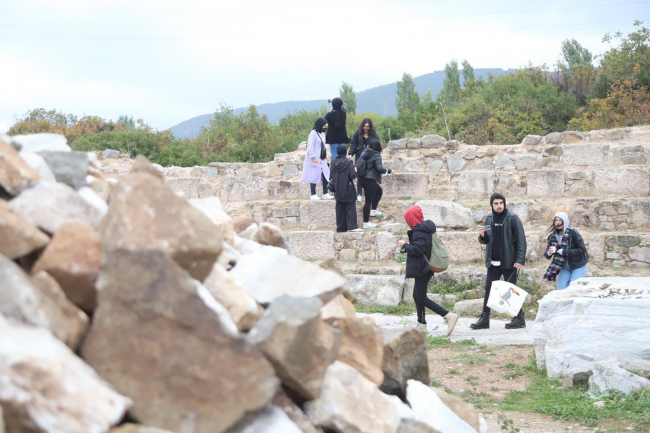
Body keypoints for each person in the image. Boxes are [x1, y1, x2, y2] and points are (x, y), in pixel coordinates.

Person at [398, 205, 459, 335]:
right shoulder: (425, 229)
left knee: (421, 297)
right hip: (425, 267)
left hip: (422, 268)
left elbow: (418, 250)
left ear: (412, 218)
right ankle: (421, 324)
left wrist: (405, 245)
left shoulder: (418, 232)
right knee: (417, 296)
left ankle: (448, 315)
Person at [471, 193, 527, 330]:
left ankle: (519, 319)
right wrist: (482, 236)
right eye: (496, 203)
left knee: (511, 291)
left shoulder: (513, 218)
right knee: (489, 290)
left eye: (501, 203)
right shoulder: (489, 218)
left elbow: (521, 240)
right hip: (493, 263)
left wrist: (520, 259)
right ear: (492, 205)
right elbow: (486, 240)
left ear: (504, 203)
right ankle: (485, 319)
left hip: (509, 262)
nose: (499, 206)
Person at [542, 212, 589, 289]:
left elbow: (582, 250)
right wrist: (549, 252)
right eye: (556, 220)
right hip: (563, 266)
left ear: (565, 221)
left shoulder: (573, 233)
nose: (558, 222)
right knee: (561, 289)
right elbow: (546, 255)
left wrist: (565, 252)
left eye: (560, 220)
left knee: (574, 288)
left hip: (578, 265)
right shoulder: (553, 237)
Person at [358, 139, 393, 229]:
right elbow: (379, 168)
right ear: (378, 147)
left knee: (379, 191)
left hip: (362, 179)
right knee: (368, 202)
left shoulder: (364, 152)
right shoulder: (376, 155)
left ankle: (373, 210)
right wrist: (389, 170)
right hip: (370, 179)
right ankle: (366, 223)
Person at [330, 144, 362, 233]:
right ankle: (352, 226)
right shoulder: (348, 162)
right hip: (347, 187)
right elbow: (352, 175)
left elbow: (331, 175)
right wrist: (355, 170)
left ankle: (341, 227)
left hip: (337, 188)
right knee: (350, 206)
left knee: (339, 207)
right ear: (345, 152)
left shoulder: (333, 162)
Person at [301, 118, 333, 201]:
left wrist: (325, 156)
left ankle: (325, 193)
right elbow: (310, 146)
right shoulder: (313, 133)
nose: (325, 128)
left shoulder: (322, 133)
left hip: (321, 157)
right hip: (314, 158)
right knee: (313, 175)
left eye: (326, 127)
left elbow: (323, 146)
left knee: (326, 174)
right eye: (324, 126)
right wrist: (313, 158)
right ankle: (313, 194)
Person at [349, 118, 379, 202]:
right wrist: (351, 153)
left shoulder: (374, 135)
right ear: (362, 126)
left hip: (370, 158)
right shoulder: (357, 134)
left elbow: (377, 146)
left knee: (368, 176)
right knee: (360, 176)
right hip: (360, 157)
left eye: (368, 126)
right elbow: (353, 145)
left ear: (370, 127)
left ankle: (366, 195)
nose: (366, 128)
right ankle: (359, 194)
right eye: (365, 126)